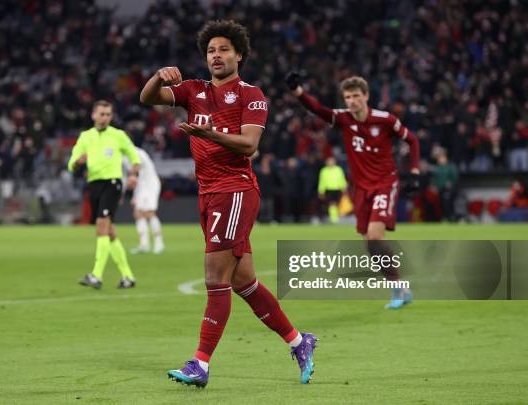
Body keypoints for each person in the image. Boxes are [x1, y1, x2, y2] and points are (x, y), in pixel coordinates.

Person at [140, 20, 317, 388]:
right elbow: (147, 99)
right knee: (244, 281)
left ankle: (200, 364)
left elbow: (250, 145)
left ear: (239, 54)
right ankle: (300, 342)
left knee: (214, 278)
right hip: (209, 193)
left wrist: (208, 133)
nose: (216, 56)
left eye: (223, 49)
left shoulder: (251, 94)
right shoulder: (193, 90)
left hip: (235, 190)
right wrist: (158, 78)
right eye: (210, 51)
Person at [286, 73, 420, 309]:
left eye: (356, 96)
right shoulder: (344, 118)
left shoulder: (385, 120)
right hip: (361, 188)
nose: (351, 101)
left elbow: (413, 140)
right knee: (370, 243)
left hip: (385, 183)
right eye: (347, 97)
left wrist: (415, 171)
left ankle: (398, 289)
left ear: (366, 96)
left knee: (376, 236)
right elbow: (318, 109)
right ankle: (401, 288)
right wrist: (298, 91)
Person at [68, 100, 141, 289]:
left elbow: (134, 157)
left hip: (113, 184)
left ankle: (96, 276)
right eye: (102, 114)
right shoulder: (85, 137)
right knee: (109, 232)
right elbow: (71, 163)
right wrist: (78, 162)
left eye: (108, 114)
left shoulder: (118, 135)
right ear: (93, 115)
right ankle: (128, 276)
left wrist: (133, 175)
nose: (105, 117)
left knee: (101, 227)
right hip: (94, 185)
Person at [129, 147, 165, 254]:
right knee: (138, 213)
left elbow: (136, 168)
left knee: (149, 213)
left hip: (150, 184)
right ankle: (144, 245)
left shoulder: (137, 152)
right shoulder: (122, 156)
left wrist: (131, 177)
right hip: (141, 186)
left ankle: (159, 243)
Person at [318, 156, 347, 224]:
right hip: (329, 189)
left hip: (337, 189)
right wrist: (321, 191)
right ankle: (333, 218)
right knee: (331, 204)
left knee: (336, 204)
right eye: (329, 161)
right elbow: (322, 181)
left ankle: (335, 217)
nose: (330, 162)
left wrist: (344, 187)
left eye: (332, 161)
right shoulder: (324, 171)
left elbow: (342, 179)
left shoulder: (338, 169)